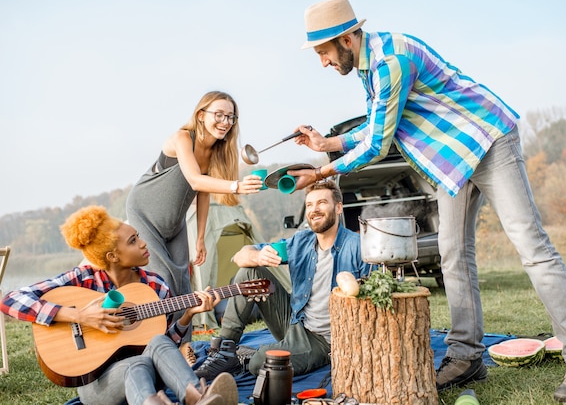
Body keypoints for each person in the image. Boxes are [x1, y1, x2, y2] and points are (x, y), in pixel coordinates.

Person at [290, 0, 566, 402]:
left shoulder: (390, 62)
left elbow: (378, 144)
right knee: (452, 252)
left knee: (531, 246)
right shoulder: (369, 69)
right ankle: (466, 355)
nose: (323, 63)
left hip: (487, 140)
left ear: (346, 38)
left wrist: (321, 172)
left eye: (324, 53)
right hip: (451, 160)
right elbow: (374, 123)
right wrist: (326, 143)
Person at [0, 206, 238, 405]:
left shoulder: (154, 285)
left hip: (150, 375)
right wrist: (79, 315)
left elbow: (163, 343)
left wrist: (187, 316)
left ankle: (199, 397)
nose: (144, 244)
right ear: (113, 256)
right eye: (134, 241)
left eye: (139, 236)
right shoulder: (83, 279)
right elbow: (9, 299)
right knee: (136, 363)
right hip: (98, 384)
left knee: (156, 343)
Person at [195, 180, 370, 380]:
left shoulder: (358, 246)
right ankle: (225, 350)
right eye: (310, 205)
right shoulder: (300, 241)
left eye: (322, 203)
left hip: (324, 341)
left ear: (338, 208)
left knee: (261, 361)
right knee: (250, 272)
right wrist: (257, 257)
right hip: (295, 321)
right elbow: (240, 255)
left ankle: (246, 359)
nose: (314, 210)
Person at [126, 91, 262, 340]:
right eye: (218, 115)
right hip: (144, 212)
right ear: (201, 115)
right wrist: (236, 186)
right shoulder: (182, 138)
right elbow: (195, 180)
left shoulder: (215, 152)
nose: (225, 122)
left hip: (175, 221)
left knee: (182, 283)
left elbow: (203, 192)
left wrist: (200, 237)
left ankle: (182, 344)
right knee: (163, 279)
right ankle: (157, 343)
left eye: (230, 117)